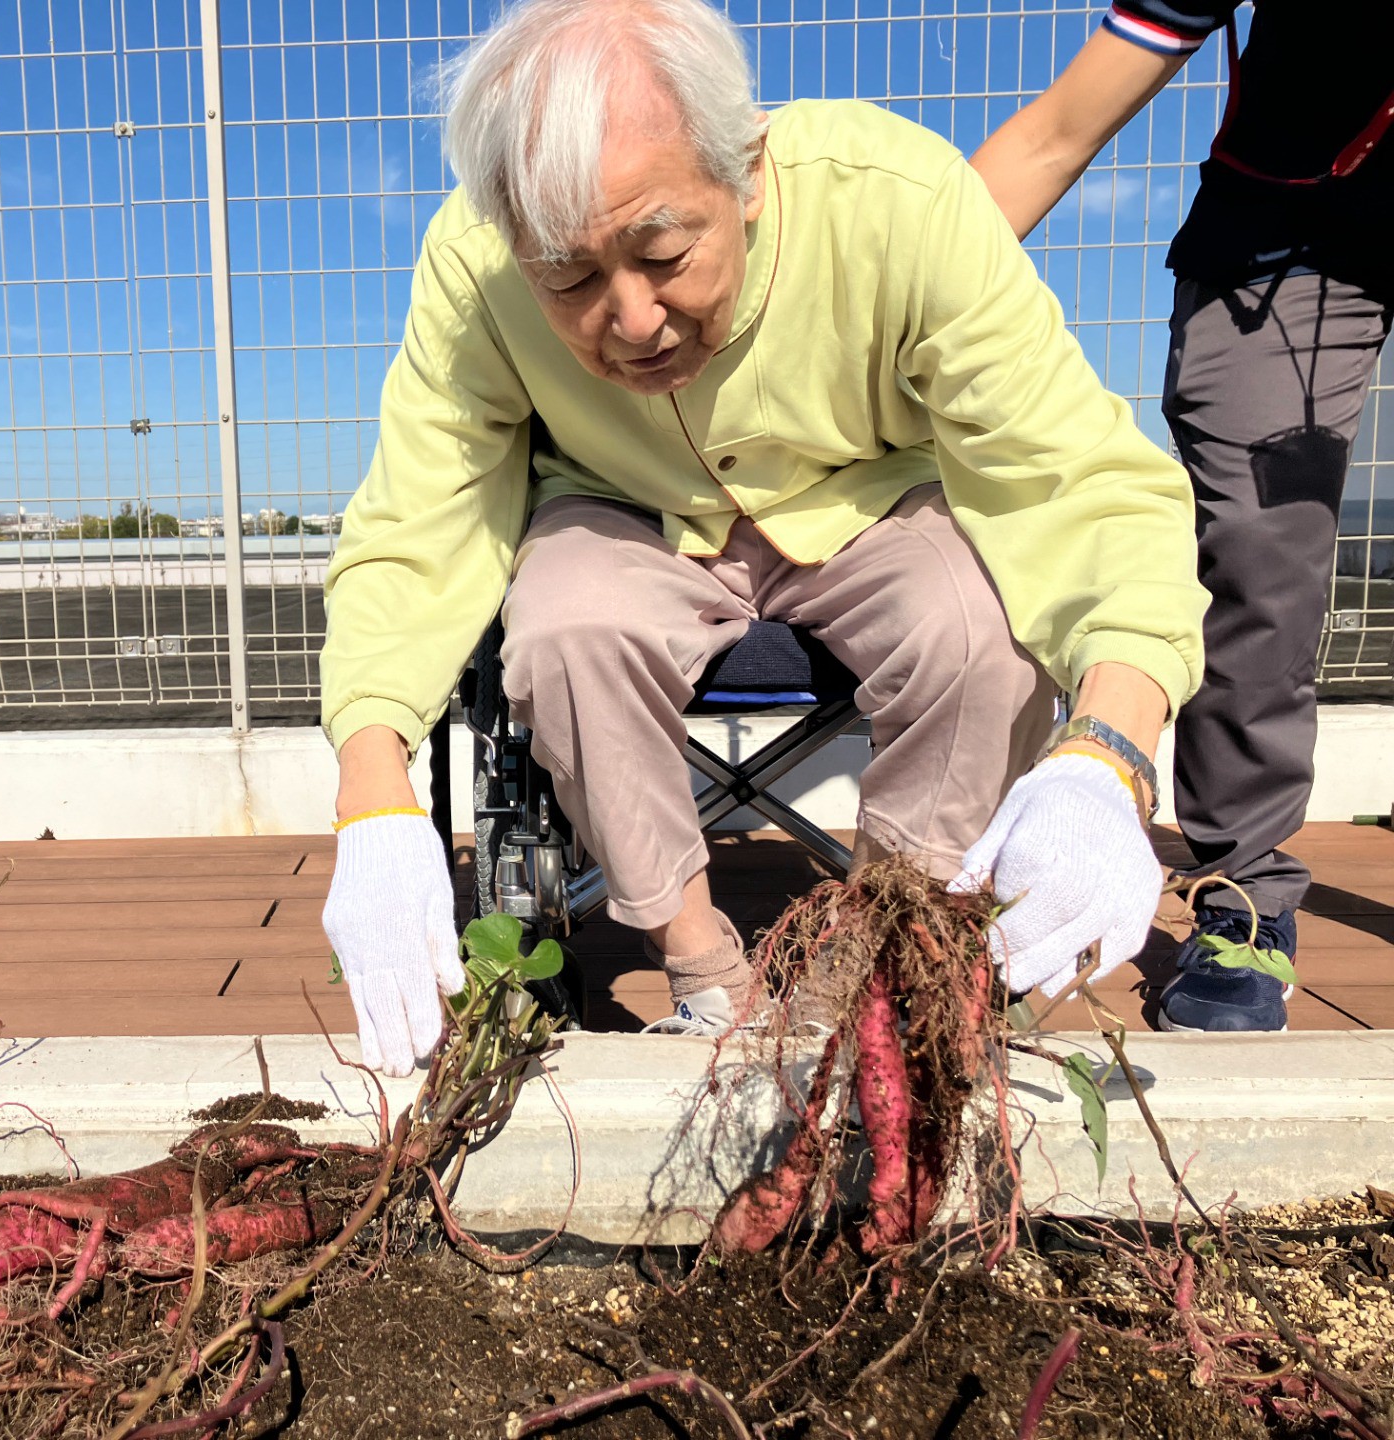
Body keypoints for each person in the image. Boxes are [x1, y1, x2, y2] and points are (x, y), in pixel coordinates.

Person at [318, 0, 1207, 1076]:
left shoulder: (896, 201)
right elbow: (423, 520)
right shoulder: (471, 268)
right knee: (560, 632)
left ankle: (879, 961)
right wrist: (373, 792)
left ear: (743, 168)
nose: (633, 320)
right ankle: (704, 976)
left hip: (863, 486)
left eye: (664, 251)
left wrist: (1108, 754)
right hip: (622, 503)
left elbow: (1076, 479)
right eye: (569, 280)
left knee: (980, 629)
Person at [972, 3, 1394, 1032]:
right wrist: (873, 297)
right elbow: (1055, 131)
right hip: (1288, 234)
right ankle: (1242, 896)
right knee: (1256, 555)